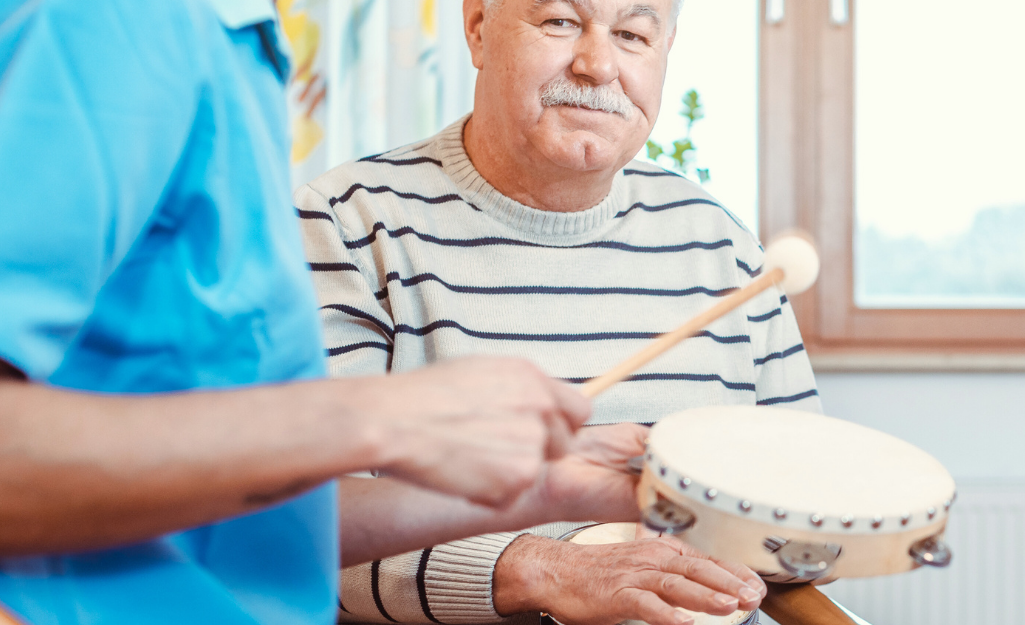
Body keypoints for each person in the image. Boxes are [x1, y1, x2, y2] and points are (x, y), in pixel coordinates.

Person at [0, 0, 604, 623]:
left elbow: (247, 521)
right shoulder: (118, 24)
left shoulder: (232, 41)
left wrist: (547, 488)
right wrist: (380, 417)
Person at [298, 0, 817, 622]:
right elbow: (305, 529)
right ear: (477, 29)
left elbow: (810, 503)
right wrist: (545, 568)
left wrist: (730, 533)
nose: (597, 65)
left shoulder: (722, 244)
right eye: (559, 22)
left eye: (631, 34)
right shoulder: (344, 225)